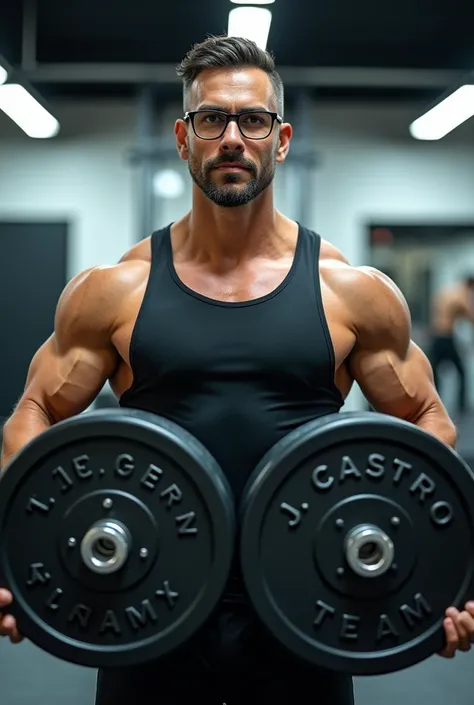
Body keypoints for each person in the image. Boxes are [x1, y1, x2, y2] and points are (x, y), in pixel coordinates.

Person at [1, 34, 474, 705]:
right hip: (148, 603)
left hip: (303, 606)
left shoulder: (350, 290)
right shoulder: (116, 289)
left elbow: (429, 421)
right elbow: (34, 411)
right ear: (182, 136)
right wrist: (23, 557)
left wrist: (436, 569)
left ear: (279, 140)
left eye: (252, 120)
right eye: (211, 119)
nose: (232, 137)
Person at [428, 274, 474, 415]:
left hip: (436, 336)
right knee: (461, 371)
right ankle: (462, 407)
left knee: (434, 372)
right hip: (447, 337)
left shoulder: (447, 291)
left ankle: (434, 404)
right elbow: (470, 316)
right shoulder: (461, 294)